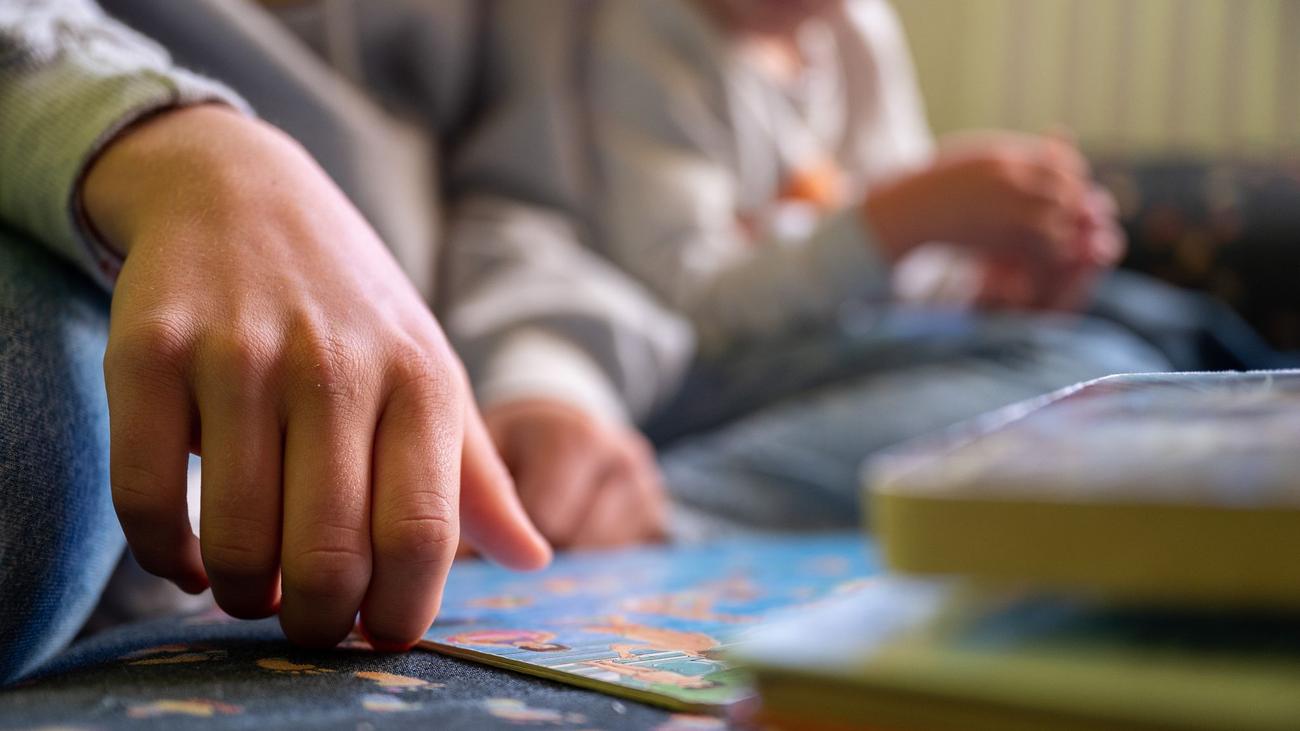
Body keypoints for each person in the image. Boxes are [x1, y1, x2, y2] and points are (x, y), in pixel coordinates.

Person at [440, 0, 1170, 546]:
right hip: (696, 370)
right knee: (1095, 370)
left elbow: (897, 286)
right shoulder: (650, 28)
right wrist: (895, 220)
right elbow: (686, 304)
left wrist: (988, 292)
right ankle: (657, 507)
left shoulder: (858, 32)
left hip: (825, 346)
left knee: (1142, 326)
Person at [0, 0, 550, 684]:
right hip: (65, 172)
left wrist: (546, 376)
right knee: (22, 465)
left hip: (426, 338)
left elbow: (529, 189)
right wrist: (176, 145)